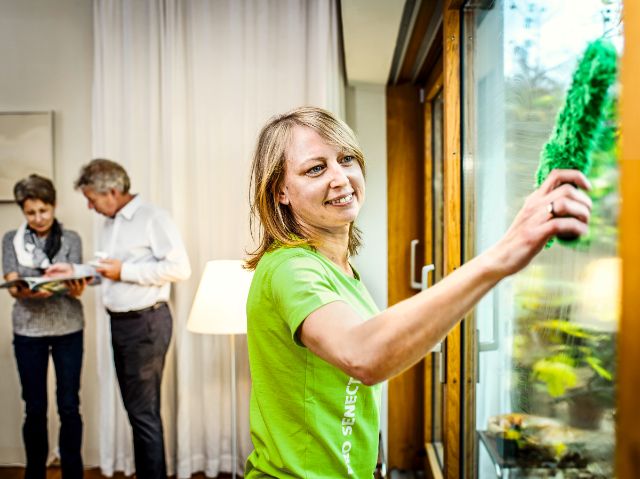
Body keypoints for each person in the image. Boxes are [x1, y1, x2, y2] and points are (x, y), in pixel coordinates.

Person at [244, 106, 592, 478]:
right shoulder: (289, 267)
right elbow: (364, 356)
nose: (340, 178)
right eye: (315, 168)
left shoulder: (341, 271)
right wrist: (502, 255)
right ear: (280, 191)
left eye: (346, 159)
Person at [48, 159, 191, 479]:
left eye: (91, 198)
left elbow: (180, 268)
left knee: (143, 414)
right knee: (136, 412)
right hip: (122, 324)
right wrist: (73, 272)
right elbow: (106, 271)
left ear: (112, 191)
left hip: (146, 324)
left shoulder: (153, 218)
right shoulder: (110, 223)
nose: (89, 206)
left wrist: (123, 271)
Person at [2, 174, 88, 479]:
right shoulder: (11, 239)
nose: (38, 218)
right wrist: (23, 290)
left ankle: (73, 472)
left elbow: (77, 286)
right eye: (31, 212)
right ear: (23, 212)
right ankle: (35, 472)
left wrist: (75, 286)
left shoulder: (72, 239)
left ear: (54, 206)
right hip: (28, 331)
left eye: (44, 210)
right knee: (35, 408)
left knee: (69, 406)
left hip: (68, 328)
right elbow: (12, 283)